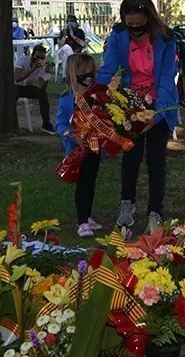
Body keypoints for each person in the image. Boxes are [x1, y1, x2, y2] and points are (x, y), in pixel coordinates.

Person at [97, 0, 179, 232]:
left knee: (156, 160)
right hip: (130, 102)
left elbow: (166, 78)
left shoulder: (165, 39)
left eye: (139, 25)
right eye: (129, 24)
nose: (134, 29)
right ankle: (127, 205)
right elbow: (109, 67)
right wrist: (97, 96)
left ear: (149, 19)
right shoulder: (118, 35)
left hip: (160, 101)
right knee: (130, 157)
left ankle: (155, 211)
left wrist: (158, 112)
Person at [57, 52, 105, 237]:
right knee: (83, 183)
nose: (88, 75)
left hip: (95, 147)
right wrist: (72, 135)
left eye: (91, 71)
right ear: (72, 73)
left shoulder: (97, 95)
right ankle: (82, 221)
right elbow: (61, 124)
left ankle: (87, 215)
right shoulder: (67, 98)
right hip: (78, 149)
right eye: (83, 71)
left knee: (90, 182)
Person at [14, 44, 55, 134]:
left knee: (43, 95)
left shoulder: (42, 67)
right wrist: (33, 68)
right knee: (14, 93)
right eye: (37, 57)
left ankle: (46, 123)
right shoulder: (22, 60)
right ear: (32, 55)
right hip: (15, 86)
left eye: (42, 57)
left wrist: (46, 75)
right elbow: (17, 78)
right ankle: (12, 122)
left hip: (26, 88)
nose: (39, 59)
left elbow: (42, 88)